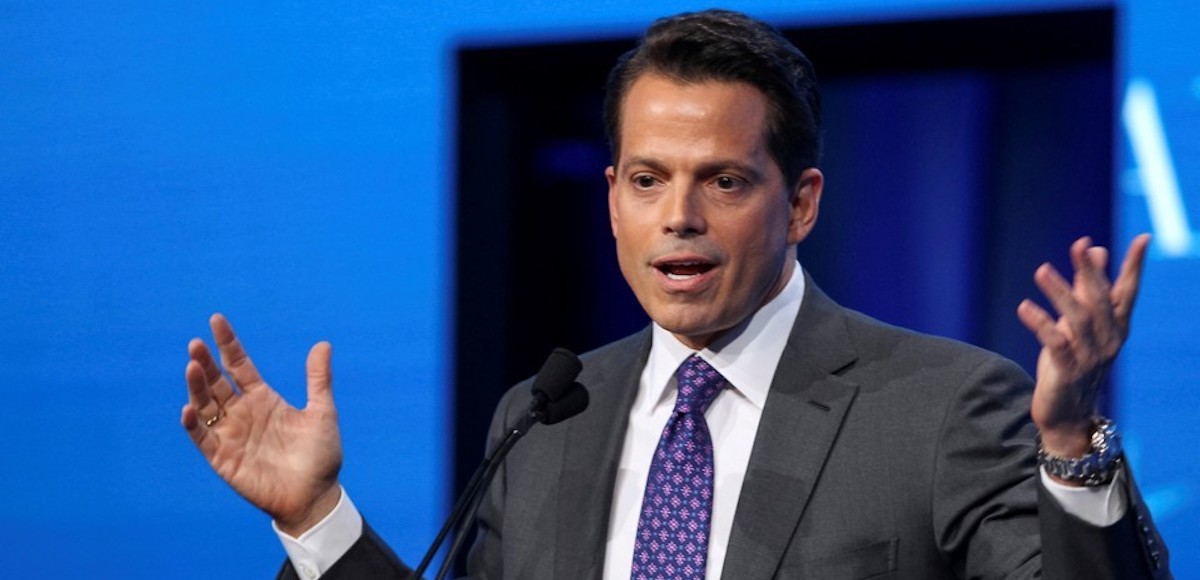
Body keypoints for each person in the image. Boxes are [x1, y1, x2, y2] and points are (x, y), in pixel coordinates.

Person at [182, 9, 1171, 579]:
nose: (679, 217)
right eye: (647, 179)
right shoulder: (544, 417)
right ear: (611, 199)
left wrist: (1071, 444)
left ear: (803, 202)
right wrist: (318, 515)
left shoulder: (940, 406)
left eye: (725, 180)